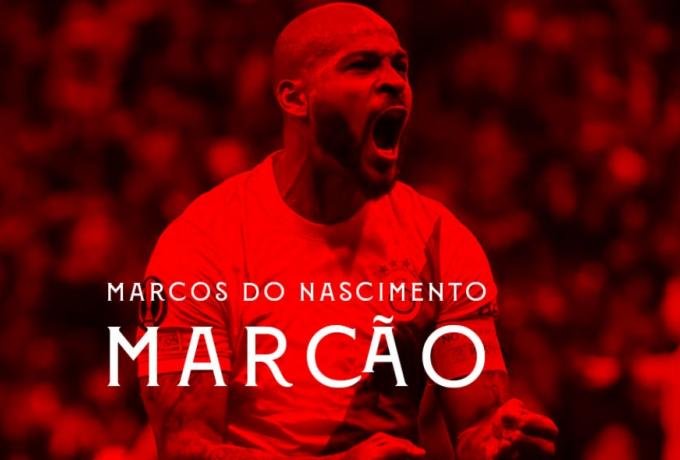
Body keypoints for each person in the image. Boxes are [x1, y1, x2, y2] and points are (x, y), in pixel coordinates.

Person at [137, 3, 558, 458]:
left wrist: (498, 443)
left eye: (400, 66)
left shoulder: (439, 241)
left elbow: (476, 427)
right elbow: (187, 448)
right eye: (362, 65)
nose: (393, 80)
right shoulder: (201, 244)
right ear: (295, 98)